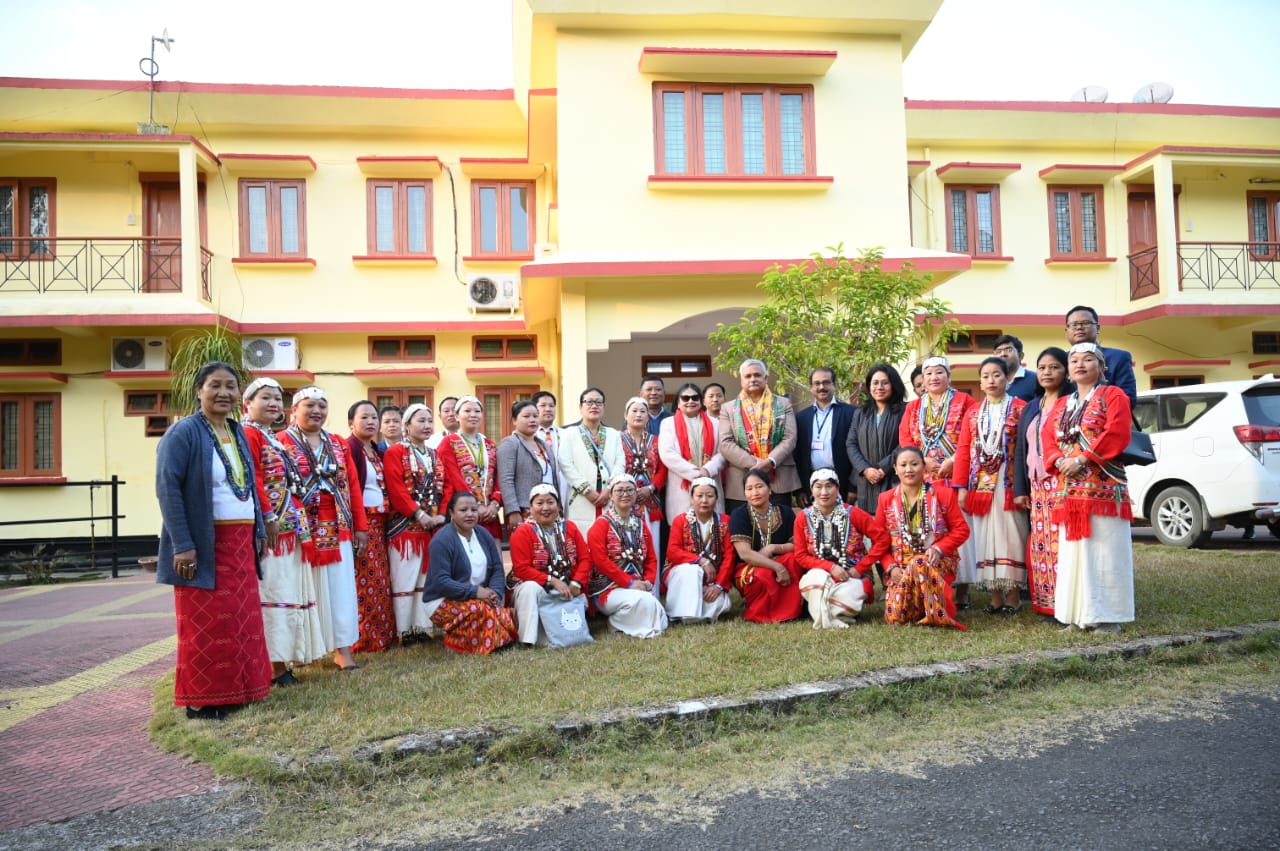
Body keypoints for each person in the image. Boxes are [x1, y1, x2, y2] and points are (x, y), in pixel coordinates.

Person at [157, 362, 272, 720]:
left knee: (241, 620)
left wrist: (262, 527)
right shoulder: (183, 433)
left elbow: (248, 487)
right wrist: (183, 544)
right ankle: (203, 700)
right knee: (205, 623)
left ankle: (240, 690)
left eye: (231, 386)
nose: (223, 393)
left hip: (240, 541)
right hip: (205, 543)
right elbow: (167, 489)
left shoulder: (236, 431)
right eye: (214, 386)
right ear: (198, 391)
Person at [1041, 342, 1135, 633]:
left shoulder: (1113, 395)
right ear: (1069, 371)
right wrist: (1059, 461)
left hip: (1102, 488)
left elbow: (1117, 431)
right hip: (1068, 489)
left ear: (1102, 367)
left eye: (1088, 360)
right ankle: (1077, 615)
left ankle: (1108, 617)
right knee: (1073, 553)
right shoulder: (1062, 404)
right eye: (1075, 360)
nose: (1080, 364)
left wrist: (1082, 458)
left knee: (1106, 551)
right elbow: (1048, 437)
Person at [242, 377, 325, 687]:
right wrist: (267, 519)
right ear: (247, 403)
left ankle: (283, 661)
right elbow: (254, 480)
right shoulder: (250, 434)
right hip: (274, 532)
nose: (273, 403)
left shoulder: (270, 436)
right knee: (274, 595)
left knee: (286, 592)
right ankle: (274, 667)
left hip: (289, 530)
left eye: (277, 398)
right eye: (266, 398)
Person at [277, 386, 367, 671]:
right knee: (302, 590)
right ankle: (300, 651)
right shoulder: (280, 442)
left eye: (322, 406)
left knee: (340, 592)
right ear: (294, 410)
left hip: (338, 528)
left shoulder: (338, 443)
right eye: (309, 405)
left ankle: (343, 652)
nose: (316, 411)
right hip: (300, 533)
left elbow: (352, 485)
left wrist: (360, 527)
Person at [898, 356, 977, 608]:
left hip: (957, 474)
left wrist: (954, 460)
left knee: (959, 529)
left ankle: (963, 590)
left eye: (939, 372)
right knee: (930, 532)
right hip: (925, 478)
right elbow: (906, 440)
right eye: (929, 373)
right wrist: (922, 463)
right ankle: (934, 585)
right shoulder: (913, 407)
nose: (933, 377)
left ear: (948, 376)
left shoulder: (965, 401)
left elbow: (974, 433)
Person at [952, 357, 1029, 615]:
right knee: (985, 537)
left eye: (997, 375)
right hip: (980, 485)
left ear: (1008, 378)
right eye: (985, 376)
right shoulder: (973, 412)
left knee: (1012, 534)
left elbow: (1026, 449)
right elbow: (963, 451)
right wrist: (961, 486)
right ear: (980, 381)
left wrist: (1024, 487)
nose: (991, 380)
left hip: (1010, 483)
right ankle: (995, 596)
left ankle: (1015, 594)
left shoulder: (1021, 408)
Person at [869, 446, 970, 630]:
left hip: (936, 563)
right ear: (895, 469)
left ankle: (935, 612)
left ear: (924, 467)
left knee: (919, 563)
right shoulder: (886, 499)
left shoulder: (942, 494)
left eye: (914, 464)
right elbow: (879, 542)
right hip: (900, 568)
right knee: (895, 617)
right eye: (903, 465)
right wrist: (891, 568)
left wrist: (939, 549)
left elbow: (961, 530)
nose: (909, 469)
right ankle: (924, 609)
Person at [1012, 347, 1072, 618]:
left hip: (1063, 482)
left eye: (1055, 367)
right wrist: (1021, 488)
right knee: (1041, 544)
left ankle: (1069, 600)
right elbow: (1020, 451)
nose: (1048, 372)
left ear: (1066, 371)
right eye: (1043, 367)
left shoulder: (1072, 401)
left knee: (1064, 544)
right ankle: (1046, 602)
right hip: (1037, 486)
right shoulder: (1032, 406)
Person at [422, 492, 518, 654]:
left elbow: (496, 568)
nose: (469, 514)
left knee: (495, 609)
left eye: (474, 510)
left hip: (480, 595)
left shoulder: (483, 534)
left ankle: (483, 638)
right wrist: (476, 592)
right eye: (463, 510)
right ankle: (456, 642)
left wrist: (495, 593)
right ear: (451, 513)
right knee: (481, 610)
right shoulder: (441, 540)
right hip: (442, 599)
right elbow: (441, 582)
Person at [383, 403, 447, 640]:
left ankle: (422, 627)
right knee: (405, 578)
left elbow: (445, 486)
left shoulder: (434, 454)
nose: (427, 425)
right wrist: (419, 514)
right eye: (420, 420)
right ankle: (404, 629)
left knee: (425, 578)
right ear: (406, 425)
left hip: (430, 527)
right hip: (405, 528)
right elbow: (396, 489)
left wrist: (441, 514)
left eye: (430, 421)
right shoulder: (395, 452)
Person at [794, 469, 884, 629]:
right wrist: (831, 567)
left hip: (852, 576)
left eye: (829, 486)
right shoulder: (803, 517)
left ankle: (825, 609)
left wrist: (859, 568)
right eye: (818, 486)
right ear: (811, 489)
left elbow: (882, 539)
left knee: (846, 595)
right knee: (816, 578)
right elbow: (801, 556)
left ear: (837, 488)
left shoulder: (853, 513)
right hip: (821, 575)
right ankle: (835, 611)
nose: (824, 492)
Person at [507, 484, 592, 646]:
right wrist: (552, 580)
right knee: (530, 588)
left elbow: (585, 559)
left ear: (559, 506)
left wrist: (576, 582)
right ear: (530, 508)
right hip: (535, 587)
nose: (545, 508)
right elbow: (522, 569)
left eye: (550, 502)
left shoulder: (569, 527)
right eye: (539, 503)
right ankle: (528, 639)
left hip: (566, 586)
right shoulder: (522, 531)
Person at [586, 473, 669, 638]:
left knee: (654, 607)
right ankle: (616, 621)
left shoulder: (639, 523)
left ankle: (625, 621)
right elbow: (600, 561)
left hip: (637, 586)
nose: (625, 495)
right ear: (611, 495)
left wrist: (649, 581)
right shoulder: (600, 525)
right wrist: (629, 582)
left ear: (636, 494)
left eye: (630, 490)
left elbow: (651, 558)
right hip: (608, 588)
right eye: (620, 491)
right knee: (645, 602)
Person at [346, 400, 397, 653]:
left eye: (374, 417)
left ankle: (383, 635)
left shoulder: (377, 450)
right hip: (363, 523)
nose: (371, 422)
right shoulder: (350, 449)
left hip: (382, 522)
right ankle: (364, 639)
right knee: (364, 581)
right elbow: (350, 491)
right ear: (351, 423)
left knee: (381, 581)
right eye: (364, 417)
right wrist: (359, 525)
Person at [719, 359, 799, 513]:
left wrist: (770, 461)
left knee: (779, 528)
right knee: (744, 530)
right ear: (741, 380)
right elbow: (726, 443)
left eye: (757, 375)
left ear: (765, 378)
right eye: (748, 376)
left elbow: (789, 438)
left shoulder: (783, 404)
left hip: (777, 479)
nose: (753, 379)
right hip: (741, 480)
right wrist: (757, 465)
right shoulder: (729, 408)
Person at [728, 469, 802, 623]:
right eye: (749, 489)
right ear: (744, 493)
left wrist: (774, 548)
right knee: (763, 576)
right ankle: (763, 613)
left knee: (793, 561)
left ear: (769, 489)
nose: (754, 492)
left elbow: (797, 545)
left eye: (759, 486)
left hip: (779, 559)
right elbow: (745, 554)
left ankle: (791, 612)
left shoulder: (785, 512)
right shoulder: (739, 515)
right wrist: (777, 567)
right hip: (749, 566)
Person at [664, 476, 734, 623]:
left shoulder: (725, 521)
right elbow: (673, 551)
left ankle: (691, 616)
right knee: (692, 570)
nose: (704, 501)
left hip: (711, 580)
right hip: (682, 575)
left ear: (716, 498)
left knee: (720, 603)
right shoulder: (681, 520)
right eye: (699, 496)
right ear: (691, 498)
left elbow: (729, 556)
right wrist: (700, 561)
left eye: (709, 496)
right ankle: (682, 614)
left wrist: (719, 586)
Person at [558, 388, 623, 535]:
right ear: (581, 407)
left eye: (598, 402)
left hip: (609, 497)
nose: (594, 406)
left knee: (609, 541)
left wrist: (609, 489)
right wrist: (586, 490)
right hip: (581, 498)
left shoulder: (614, 434)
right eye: (589, 402)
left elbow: (620, 463)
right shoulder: (569, 433)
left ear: (604, 407)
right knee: (581, 542)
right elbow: (565, 464)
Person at [846, 363, 907, 517]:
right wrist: (865, 470)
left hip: (894, 479)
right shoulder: (861, 413)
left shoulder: (904, 411)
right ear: (869, 386)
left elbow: (905, 442)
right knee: (870, 534)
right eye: (875, 383)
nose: (879, 387)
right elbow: (851, 444)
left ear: (893, 385)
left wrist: (883, 468)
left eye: (885, 382)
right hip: (865, 483)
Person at [658, 381, 725, 520]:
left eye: (695, 398)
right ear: (678, 402)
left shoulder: (715, 423)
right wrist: (696, 474)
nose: (690, 401)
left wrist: (707, 470)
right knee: (683, 532)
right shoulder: (668, 423)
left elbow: (722, 452)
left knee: (713, 532)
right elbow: (667, 454)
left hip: (710, 482)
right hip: (681, 488)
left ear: (701, 401)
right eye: (685, 398)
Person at [438, 396, 502, 540]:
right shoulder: (449, 442)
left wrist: (494, 504)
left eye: (477, 411)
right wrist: (474, 506)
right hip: (464, 512)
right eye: (467, 411)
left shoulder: (490, 444)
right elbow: (453, 477)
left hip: (489, 513)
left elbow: (498, 476)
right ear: (457, 416)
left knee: (493, 557)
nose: (473, 415)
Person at [498, 399, 562, 534]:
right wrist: (512, 510)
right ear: (514, 420)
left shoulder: (543, 445)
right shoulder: (510, 444)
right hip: (524, 509)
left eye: (535, 416)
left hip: (549, 509)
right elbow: (505, 479)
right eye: (526, 416)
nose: (532, 420)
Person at [620, 395, 667, 576]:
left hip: (650, 500)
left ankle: (652, 590)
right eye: (634, 411)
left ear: (648, 416)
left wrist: (651, 488)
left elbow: (663, 469)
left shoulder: (656, 441)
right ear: (626, 415)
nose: (638, 415)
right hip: (625, 500)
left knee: (651, 543)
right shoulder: (617, 439)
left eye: (643, 411)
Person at [794, 367, 855, 506]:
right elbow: (797, 456)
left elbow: (858, 449)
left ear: (834, 385)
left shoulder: (851, 413)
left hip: (842, 483)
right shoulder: (801, 417)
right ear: (811, 387)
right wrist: (800, 490)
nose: (821, 387)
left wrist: (854, 487)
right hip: (812, 485)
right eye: (817, 383)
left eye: (826, 382)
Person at [1064, 305, 1137, 403]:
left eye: (1085, 323)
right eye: (1074, 324)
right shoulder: (1061, 361)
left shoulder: (1118, 358)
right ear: (1066, 332)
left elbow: (1128, 399)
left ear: (1098, 328)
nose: (1079, 328)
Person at [995, 335, 1038, 401]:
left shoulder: (1036, 379)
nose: (1003, 354)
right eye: (998, 351)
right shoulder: (993, 381)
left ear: (1020, 356)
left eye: (1009, 350)